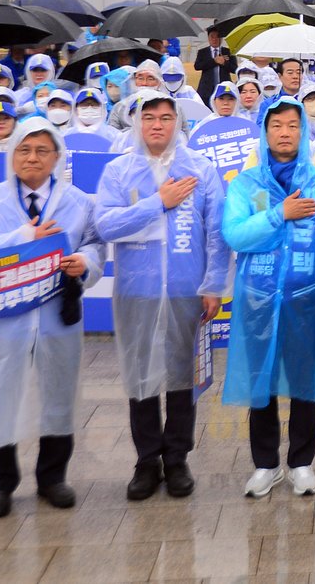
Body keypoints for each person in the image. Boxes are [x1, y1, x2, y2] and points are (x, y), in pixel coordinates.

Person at [0, 117, 105, 518]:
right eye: (24, 149)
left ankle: (52, 478)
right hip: (6, 318)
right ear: (12, 154)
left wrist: (85, 263)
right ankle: (0, 484)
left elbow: (95, 245)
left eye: (42, 150)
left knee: (59, 394)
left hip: (58, 316)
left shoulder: (78, 201)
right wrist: (23, 238)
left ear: (57, 156)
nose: (33, 158)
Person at [94, 92, 230, 500]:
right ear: (136, 123)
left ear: (178, 123)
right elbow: (105, 225)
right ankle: (145, 461)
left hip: (187, 291)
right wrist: (158, 203)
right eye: (148, 117)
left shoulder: (202, 170)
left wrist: (213, 285)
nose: (157, 124)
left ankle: (177, 459)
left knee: (181, 376)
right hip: (137, 291)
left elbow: (217, 233)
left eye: (166, 117)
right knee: (141, 376)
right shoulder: (119, 172)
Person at [221, 98, 315, 497]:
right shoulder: (245, 185)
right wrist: (280, 213)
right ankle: (265, 464)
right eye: (276, 125)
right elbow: (236, 234)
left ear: (303, 132)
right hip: (258, 298)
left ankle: (301, 462)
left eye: (292, 126)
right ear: (264, 133)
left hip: (307, 297)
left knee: (303, 381)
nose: (284, 132)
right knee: (260, 378)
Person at [194, 27, 233, 104]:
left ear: (221, 38)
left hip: (224, 87)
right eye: (212, 37)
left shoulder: (227, 52)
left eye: (217, 37)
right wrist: (214, 61)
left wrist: (224, 63)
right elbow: (197, 66)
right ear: (208, 38)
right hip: (206, 89)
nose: (215, 39)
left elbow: (234, 68)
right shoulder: (203, 52)